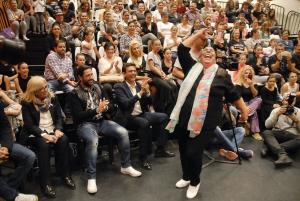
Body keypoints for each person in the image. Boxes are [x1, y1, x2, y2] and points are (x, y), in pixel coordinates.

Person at [166, 29, 248, 199]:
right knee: (183, 149)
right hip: (184, 117)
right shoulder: (192, 67)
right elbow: (182, 48)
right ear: (200, 57)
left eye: (212, 51)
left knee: (192, 152)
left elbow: (234, 95)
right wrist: (198, 33)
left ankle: (195, 181)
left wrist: (244, 111)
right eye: (205, 51)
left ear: (216, 58)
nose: (208, 51)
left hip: (206, 123)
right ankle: (187, 176)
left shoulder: (221, 74)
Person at [68, 65, 142, 194]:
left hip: (101, 122)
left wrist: (106, 108)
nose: (91, 78)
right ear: (80, 77)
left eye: (92, 74)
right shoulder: (74, 93)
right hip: (85, 124)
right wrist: (97, 109)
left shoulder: (98, 87)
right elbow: (77, 116)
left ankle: (126, 166)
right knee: (93, 141)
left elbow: (111, 105)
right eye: (87, 76)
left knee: (123, 132)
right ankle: (91, 177)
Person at [21, 76, 75, 198]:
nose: (45, 90)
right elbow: (29, 125)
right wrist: (45, 135)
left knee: (64, 139)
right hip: (35, 133)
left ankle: (65, 175)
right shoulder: (27, 103)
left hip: (52, 129)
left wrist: (58, 129)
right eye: (41, 89)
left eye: (46, 86)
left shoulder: (53, 98)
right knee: (44, 145)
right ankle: (45, 182)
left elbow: (59, 117)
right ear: (34, 91)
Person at [114, 63, 175, 170]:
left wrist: (147, 93)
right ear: (124, 73)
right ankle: (143, 157)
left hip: (141, 114)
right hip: (127, 117)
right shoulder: (119, 87)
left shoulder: (138, 85)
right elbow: (125, 104)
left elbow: (149, 102)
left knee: (164, 117)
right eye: (130, 71)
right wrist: (140, 93)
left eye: (134, 71)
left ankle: (160, 149)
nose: (133, 73)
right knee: (144, 123)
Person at [0, 101, 38, 201]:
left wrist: (5, 147)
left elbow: (5, 127)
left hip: (2, 144)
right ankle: (12, 195)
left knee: (29, 156)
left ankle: (6, 189)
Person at [262, 93, 300, 168]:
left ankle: (271, 148)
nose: (287, 102)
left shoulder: (299, 111)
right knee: (266, 132)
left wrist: (296, 120)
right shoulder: (276, 110)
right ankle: (283, 155)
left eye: (290, 101)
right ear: (282, 101)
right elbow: (267, 125)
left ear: (294, 102)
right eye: (285, 100)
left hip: (292, 136)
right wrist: (277, 114)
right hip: (278, 133)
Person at [235, 66, 263, 140]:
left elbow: (255, 95)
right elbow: (237, 97)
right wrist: (244, 107)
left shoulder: (253, 83)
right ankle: (255, 132)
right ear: (242, 74)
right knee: (254, 113)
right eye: (246, 73)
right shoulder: (238, 83)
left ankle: (246, 112)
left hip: (250, 104)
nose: (247, 75)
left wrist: (251, 85)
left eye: (249, 73)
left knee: (259, 100)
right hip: (241, 104)